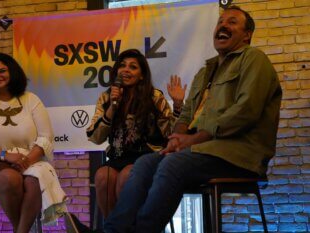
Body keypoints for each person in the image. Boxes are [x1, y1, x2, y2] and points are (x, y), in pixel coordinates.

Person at [72, 5, 282, 233]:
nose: (223, 25)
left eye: (232, 22)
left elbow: (245, 112)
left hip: (236, 154)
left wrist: (192, 140)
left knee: (171, 163)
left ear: (247, 34)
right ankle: (112, 231)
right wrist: (177, 138)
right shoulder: (206, 71)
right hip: (202, 151)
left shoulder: (254, 59)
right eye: (220, 22)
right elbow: (186, 115)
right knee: (145, 164)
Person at [0, 53, 67, 233]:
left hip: (29, 161)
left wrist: (26, 160)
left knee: (35, 181)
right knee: (11, 179)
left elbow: (45, 137)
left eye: (2, 70)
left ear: (12, 72)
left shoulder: (31, 100)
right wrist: (6, 156)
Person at [86, 48, 185, 218]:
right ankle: (114, 229)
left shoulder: (154, 97)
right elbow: (95, 137)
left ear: (141, 75)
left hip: (148, 157)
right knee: (102, 176)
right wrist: (112, 107)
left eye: (133, 67)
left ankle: (129, 228)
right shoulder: (106, 98)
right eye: (122, 66)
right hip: (118, 158)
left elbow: (170, 132)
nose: (126, 70)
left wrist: (177, 106)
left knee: (127, 176)